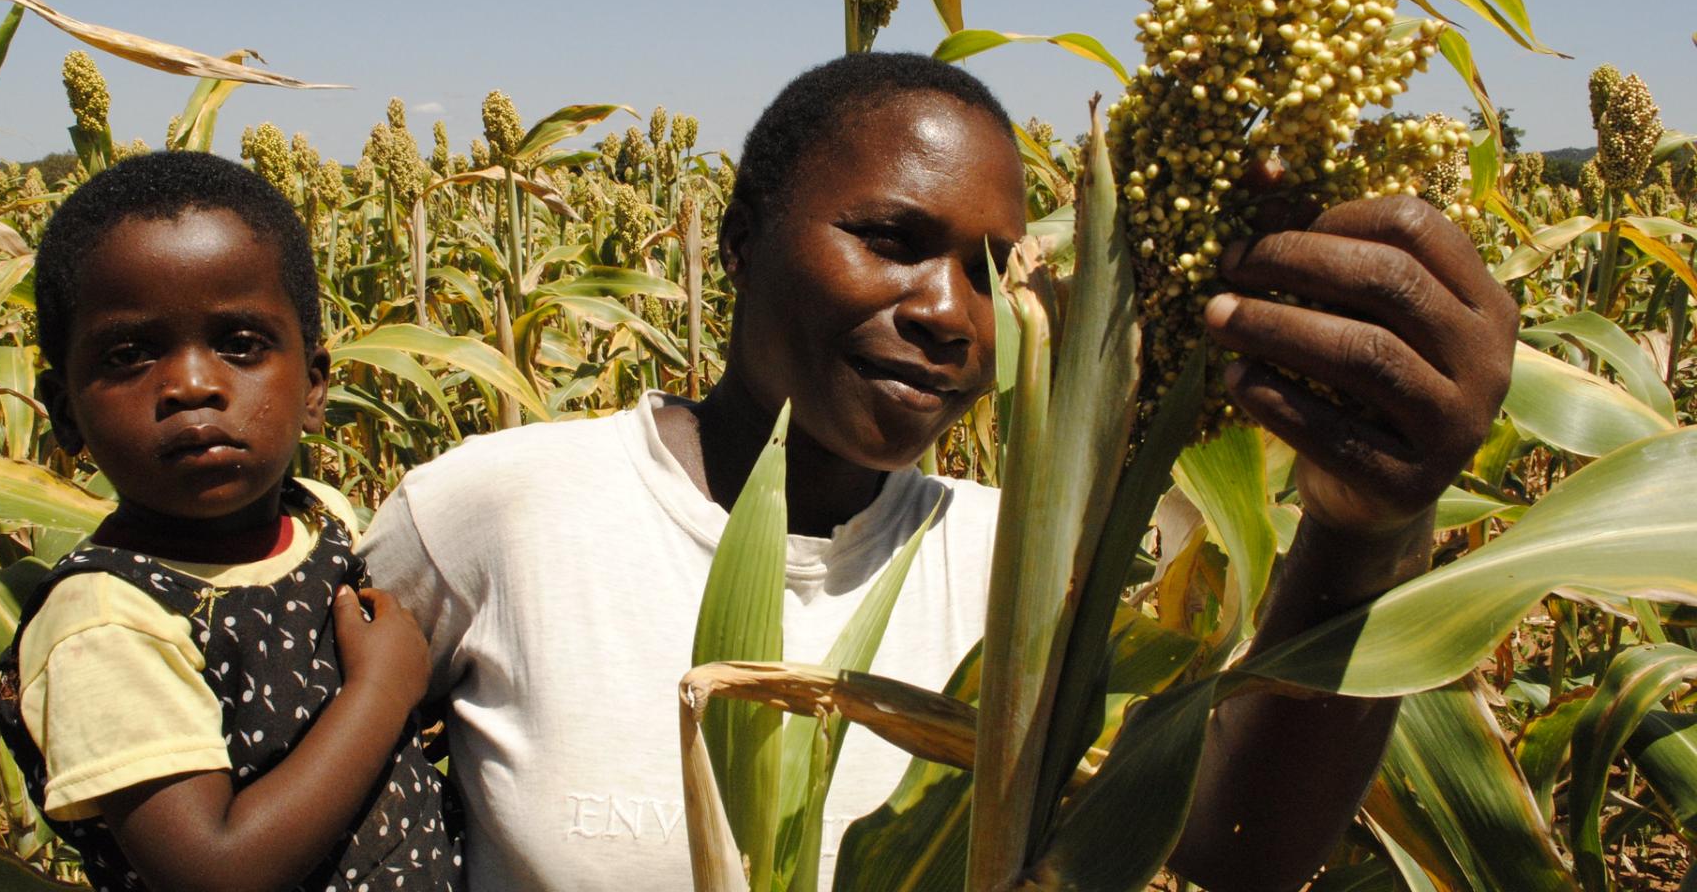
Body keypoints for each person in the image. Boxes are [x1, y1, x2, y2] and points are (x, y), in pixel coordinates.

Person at [359, 52, 1517, 891]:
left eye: (992, 269)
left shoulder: (1028, 570)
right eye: (894, 241)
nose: (951, 314)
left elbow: (1228, 846)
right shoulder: (495, 512)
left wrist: (1368, 527)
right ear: (743, 234)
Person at [0, 151, 462, 892]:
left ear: (313, 386)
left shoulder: (319, 517)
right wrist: (384, 691)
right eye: (129, 354)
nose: (193, 385)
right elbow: (215, 869)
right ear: (63, 412)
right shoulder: (107, 624)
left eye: (239, 345)